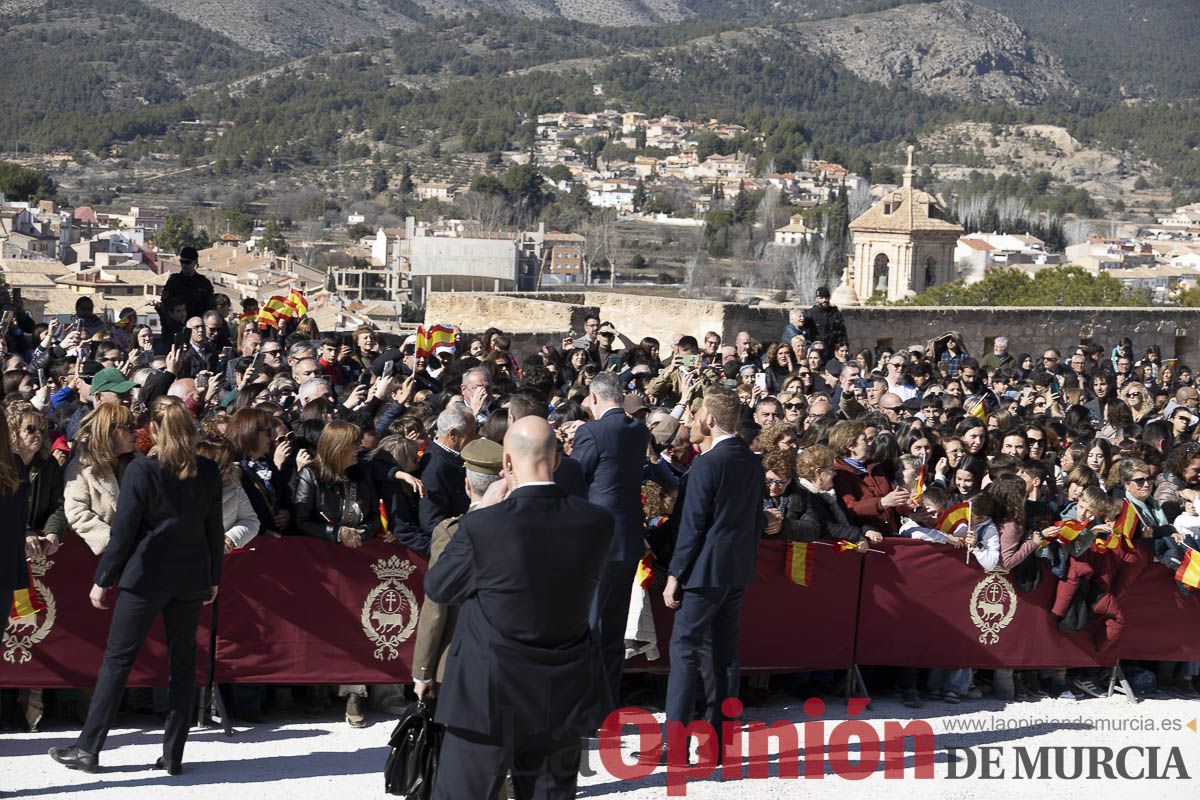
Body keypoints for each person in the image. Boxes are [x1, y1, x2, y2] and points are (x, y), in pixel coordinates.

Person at [426, 417, 613, 799]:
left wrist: (478, 514)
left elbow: (440, 586)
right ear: (558, 461)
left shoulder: (484, 526)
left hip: (486, 693)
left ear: (506, 464)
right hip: (560, 692)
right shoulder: (597, 522)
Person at [50, 396, 223, 775]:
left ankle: (88, 748)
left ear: (157, 431)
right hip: (191, 578)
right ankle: (173, 754)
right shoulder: (208, 470)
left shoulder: (143, 470)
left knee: (117, 661)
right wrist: (213, 578)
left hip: (145, 577)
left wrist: (103, 579)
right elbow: (214, 530)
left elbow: (125, 532)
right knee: (182, 664)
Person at [661, 385, 764, 762]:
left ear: (709, 418)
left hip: (705, 570)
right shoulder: (753, 461)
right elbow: (756, 521)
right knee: (725, 654)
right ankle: (719, 744)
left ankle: (675, 745)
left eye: (697, 413)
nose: (693, 419)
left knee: (685, 650)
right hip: (737, 569)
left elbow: (693, 526)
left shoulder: (708, 463)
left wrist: (675, 574)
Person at [290, 420, 379, 727]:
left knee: (357, 625)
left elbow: (375, 517)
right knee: (323, 624)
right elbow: (301, 520)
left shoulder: (363, 472)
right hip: (321, 563)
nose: (360, 450)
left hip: (356, 562)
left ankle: (354, 692)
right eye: (354, 445)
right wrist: (336, 532)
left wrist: (362, 533)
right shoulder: (310, 475)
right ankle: (318, 687)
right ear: (339, 448)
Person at [570, 371, 650, 712]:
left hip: (598, 540)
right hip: (628, 538)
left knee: (589, 624)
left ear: (596, 396)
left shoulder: (593, 431)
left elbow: (575, 475)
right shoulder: (638, 429)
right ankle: (606, 703)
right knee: (613, 626)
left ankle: (585, 708)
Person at [411, 438, 504, 701]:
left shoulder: (452, 532)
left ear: (466, 485)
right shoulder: (526, 531)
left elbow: (437, 606)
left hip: (458, 660)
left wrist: (423, 670)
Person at [63, 404, 141, 555]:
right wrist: (114, 542)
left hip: (140, 552)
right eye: (128, 427)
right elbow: (77, 513)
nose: (135, 433)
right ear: (109, 431)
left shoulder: (139, 463)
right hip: (103, 557)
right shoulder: (81, 467)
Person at [418, 404, 476, 546]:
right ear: (453, 435)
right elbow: (432, 522)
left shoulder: (450, 458)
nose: (476, 437)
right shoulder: (435, 467)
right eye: (471, 434)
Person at [806, 286, 847, 350]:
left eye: (826, 297)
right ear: (817, 299)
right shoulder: (811, 313)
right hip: (817, 349)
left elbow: (842, 332)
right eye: (821, 298)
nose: (824, 300)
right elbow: (806, 334)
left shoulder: (836, 313)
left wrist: (844, 346)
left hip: (833, 349)